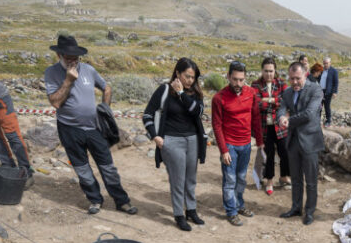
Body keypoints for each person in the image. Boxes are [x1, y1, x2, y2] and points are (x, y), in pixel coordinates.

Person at [44, 35, 136, 215]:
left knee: (108, 167)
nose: (72, 61)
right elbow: (55, 102)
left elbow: (106, 88)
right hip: (69, 129)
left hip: (94, 128)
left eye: (75, 58)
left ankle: (122, 201)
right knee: (82, 168)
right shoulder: (51, 73)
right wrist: (68, 81)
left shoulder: (88, 70)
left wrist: (105, 111)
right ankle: (94, 199)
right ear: (59, 56)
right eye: (68, 58)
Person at [143, 57, 207, 231]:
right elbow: (147, 115)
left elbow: (197, 112)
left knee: (191, 179)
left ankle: (191, 210)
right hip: (172, 141)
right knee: (178, 179)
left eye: (193, 77)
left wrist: (181, 94)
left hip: (193, 140)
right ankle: (179, 214)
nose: (190, 80)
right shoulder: (164, 90)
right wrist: (155, 137)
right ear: (177, 73)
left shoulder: (195, 93)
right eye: (187, 76)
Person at [212, 61, 263, 226]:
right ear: (228, 77)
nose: (238, 83)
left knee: (241, 179)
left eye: (241, 79)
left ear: (245, 78)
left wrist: (260, 142)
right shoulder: (219, 98)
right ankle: (231, 211)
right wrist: (224, 150)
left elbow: (255, 118)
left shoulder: (251, 94)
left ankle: (239, 205)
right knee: (230, 180)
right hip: (230, 146)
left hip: (246, 144)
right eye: (234, 79)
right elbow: (217, 126)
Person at [277, 61, 324, 226]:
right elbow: (281, 108)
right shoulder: (288, 92)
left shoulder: (316, 89)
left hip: (310, 141)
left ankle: (310, 211)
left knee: (311, 181)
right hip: (293, 141)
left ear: (305, 74)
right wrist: (281, 117)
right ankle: (296, 208)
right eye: (291, 79)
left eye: (297, 78)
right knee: (296, 178)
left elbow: (310, 113)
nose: (294, 82)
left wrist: (288, 121)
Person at [251, 58, 290, 195]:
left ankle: (284, 176)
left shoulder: (281, 83)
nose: (268, 74)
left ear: (275, 71)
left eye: (271, 71)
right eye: (266, 71)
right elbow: (256, 103)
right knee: (269, 155)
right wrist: (275, 101)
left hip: (279, 126)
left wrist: (267, 99)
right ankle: (269, 180)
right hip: (264, 127)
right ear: (262, 71)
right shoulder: (255, 84)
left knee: (284, 151)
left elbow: (286, 101)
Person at [318, 56, 339, 126]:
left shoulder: (334, 71)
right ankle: (317, 121)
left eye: (327, 63)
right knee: (319, 106)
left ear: (330, 63)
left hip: (328, 92)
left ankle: (328, 121)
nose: (325, 65)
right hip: (320, 91)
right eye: (324, 63)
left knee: (327, 107)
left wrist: (335, 92)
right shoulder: (321, 70)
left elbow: (336, 82)